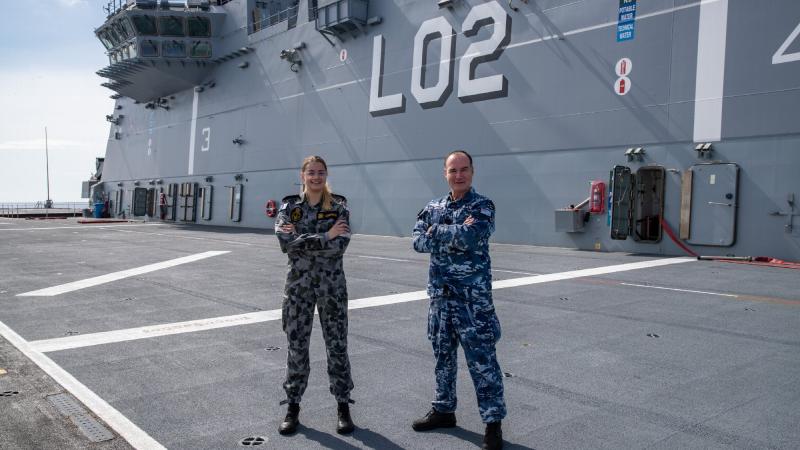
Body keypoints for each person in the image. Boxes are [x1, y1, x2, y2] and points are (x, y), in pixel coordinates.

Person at [411, 150, 506, 450]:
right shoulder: (432, 205)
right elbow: (417, 241)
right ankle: (443, 410)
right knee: (443, 359)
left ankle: (492, 423)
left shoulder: (483, 206)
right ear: (445, 174)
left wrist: (437, 230)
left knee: (483, 363)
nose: (459, 175)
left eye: (464, 169)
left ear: (472, 172)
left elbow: (472, 236)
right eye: (453, 171)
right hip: (441, 299)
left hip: (472, 302)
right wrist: (454, 229)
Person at [274, 155, 354, 435]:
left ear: (326, 175)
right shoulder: (289, 207)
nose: (316, 177)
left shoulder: (339, 207)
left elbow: (340, 246)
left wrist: (313, 240)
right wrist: (325, 236)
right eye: (311, 173)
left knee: (337, 347)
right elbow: (286, 244)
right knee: (296, 348)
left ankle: (343, 406)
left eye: (321, 173)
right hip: (298, 289)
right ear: (303, 175)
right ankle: (293, 407)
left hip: (331, 289)